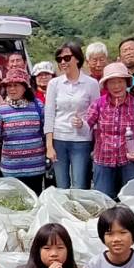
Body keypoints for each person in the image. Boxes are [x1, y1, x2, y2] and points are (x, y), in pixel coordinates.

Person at [87, 62, 134, 198]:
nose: (116, 86)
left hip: (130, 160)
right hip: (103, 159)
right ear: (106, 85)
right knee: (103, 199)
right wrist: (78, 123)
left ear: (127, 82)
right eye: (112, 82)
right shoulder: (99, 103)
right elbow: (87, 125)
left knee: (131, 200)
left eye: (120, 81)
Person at [44, 41, 100, 191]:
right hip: (59, 139)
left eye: (67, 58)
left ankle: (80, 207)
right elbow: (49, 114)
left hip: (82, 140)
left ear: (77, 58)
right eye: (59, 59)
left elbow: (96, 115)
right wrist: (49, 146)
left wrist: (94, 140)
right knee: (61, 186)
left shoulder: (91, 84)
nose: (63, 62)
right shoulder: (54, 84)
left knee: (80, 185)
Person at [0, 65, 46, 192]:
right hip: (11, 169)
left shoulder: (38, 106)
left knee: (35, 200)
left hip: (35, 167)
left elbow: (46, 131)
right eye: (9, 86)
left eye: (16, 85)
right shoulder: (0, 109)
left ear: (25, 87)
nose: (12, 89)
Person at [76, 204, 134, 268]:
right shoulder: (95, 265)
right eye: (110, 234)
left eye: (123, 233)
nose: (116, 239)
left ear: (133, 234)